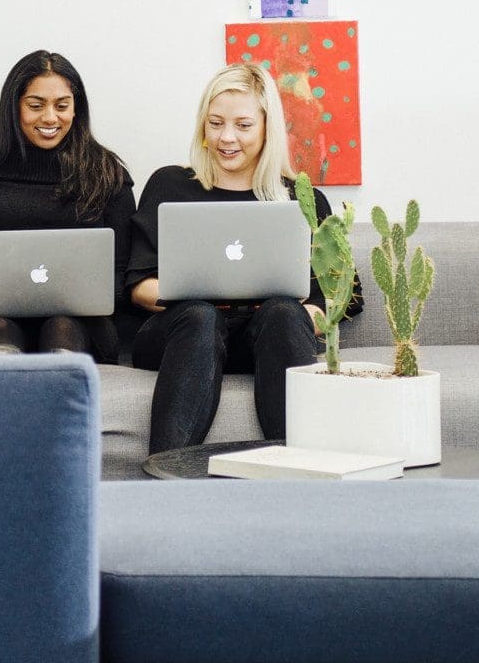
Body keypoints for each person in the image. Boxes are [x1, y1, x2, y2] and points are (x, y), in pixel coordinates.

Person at [125, 62, 332, 452]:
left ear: (267, 128)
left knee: (284, 311)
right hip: (183, 336)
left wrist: (289, 309)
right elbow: (139, 287)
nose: (226, 137)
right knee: (202, 314)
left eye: (243, 125)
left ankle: (299, 467)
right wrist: (199, 292)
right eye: (215, 123)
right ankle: (165, 473)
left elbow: (326, 305)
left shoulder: (302, 200)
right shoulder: (170, 184)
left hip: (266, 340)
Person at [0, 51, 137, 359]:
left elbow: (125, 278)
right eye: (36, 106)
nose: (50, 118)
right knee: (1, 330)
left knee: (61, 325)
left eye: (62, 106)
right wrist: (17, 298)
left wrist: (71, 298)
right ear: (14, 108)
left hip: (85, 328)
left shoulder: (107, 173)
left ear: (77, 109)